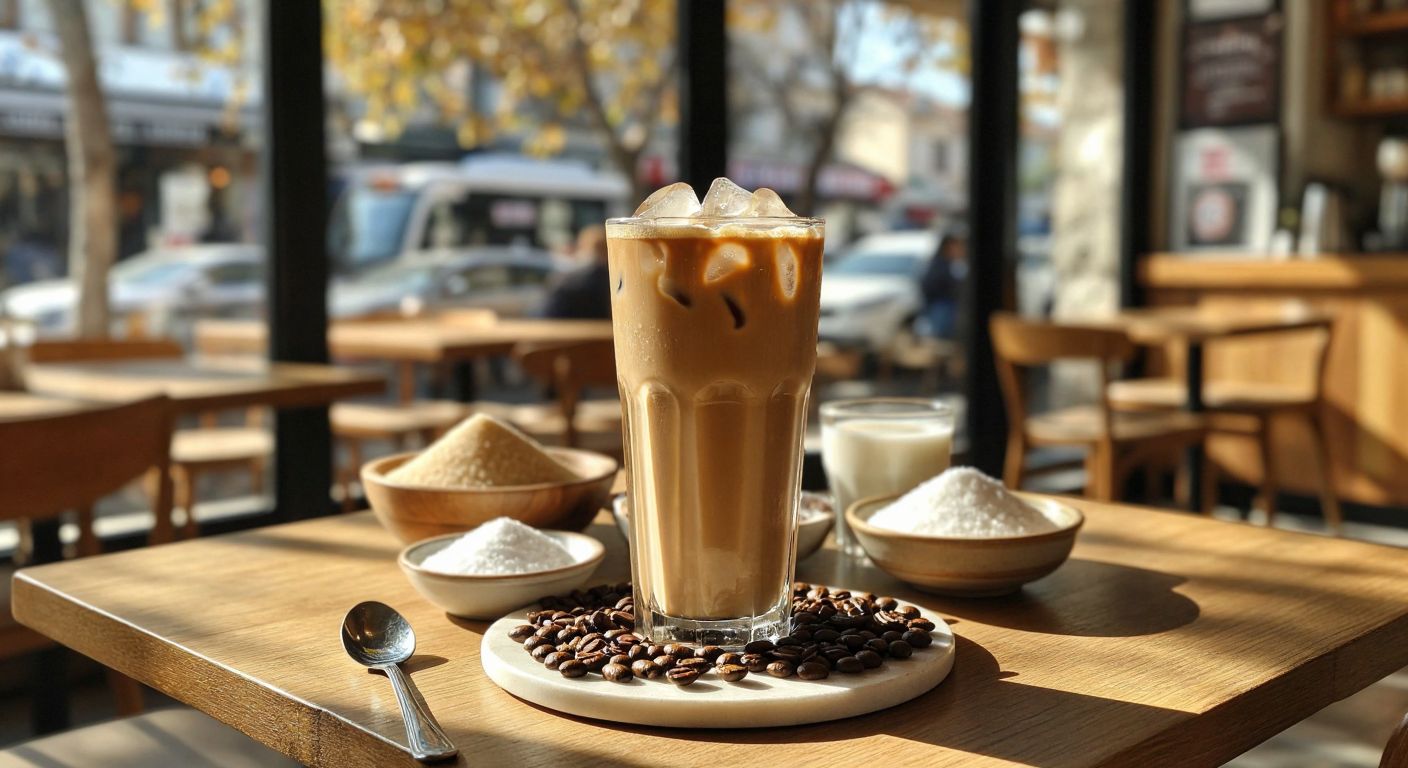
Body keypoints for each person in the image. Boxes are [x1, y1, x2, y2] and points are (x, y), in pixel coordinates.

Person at [541, 226, 612, 319]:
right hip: (606, 330)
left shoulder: (565, 281)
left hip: (564, 329)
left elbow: (547, 313)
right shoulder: (613, 280)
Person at [918, 224, 968, 339]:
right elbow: (930, 285)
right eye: (957, 246)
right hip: (942, 306)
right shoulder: (940, 265)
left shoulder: (953, 264)